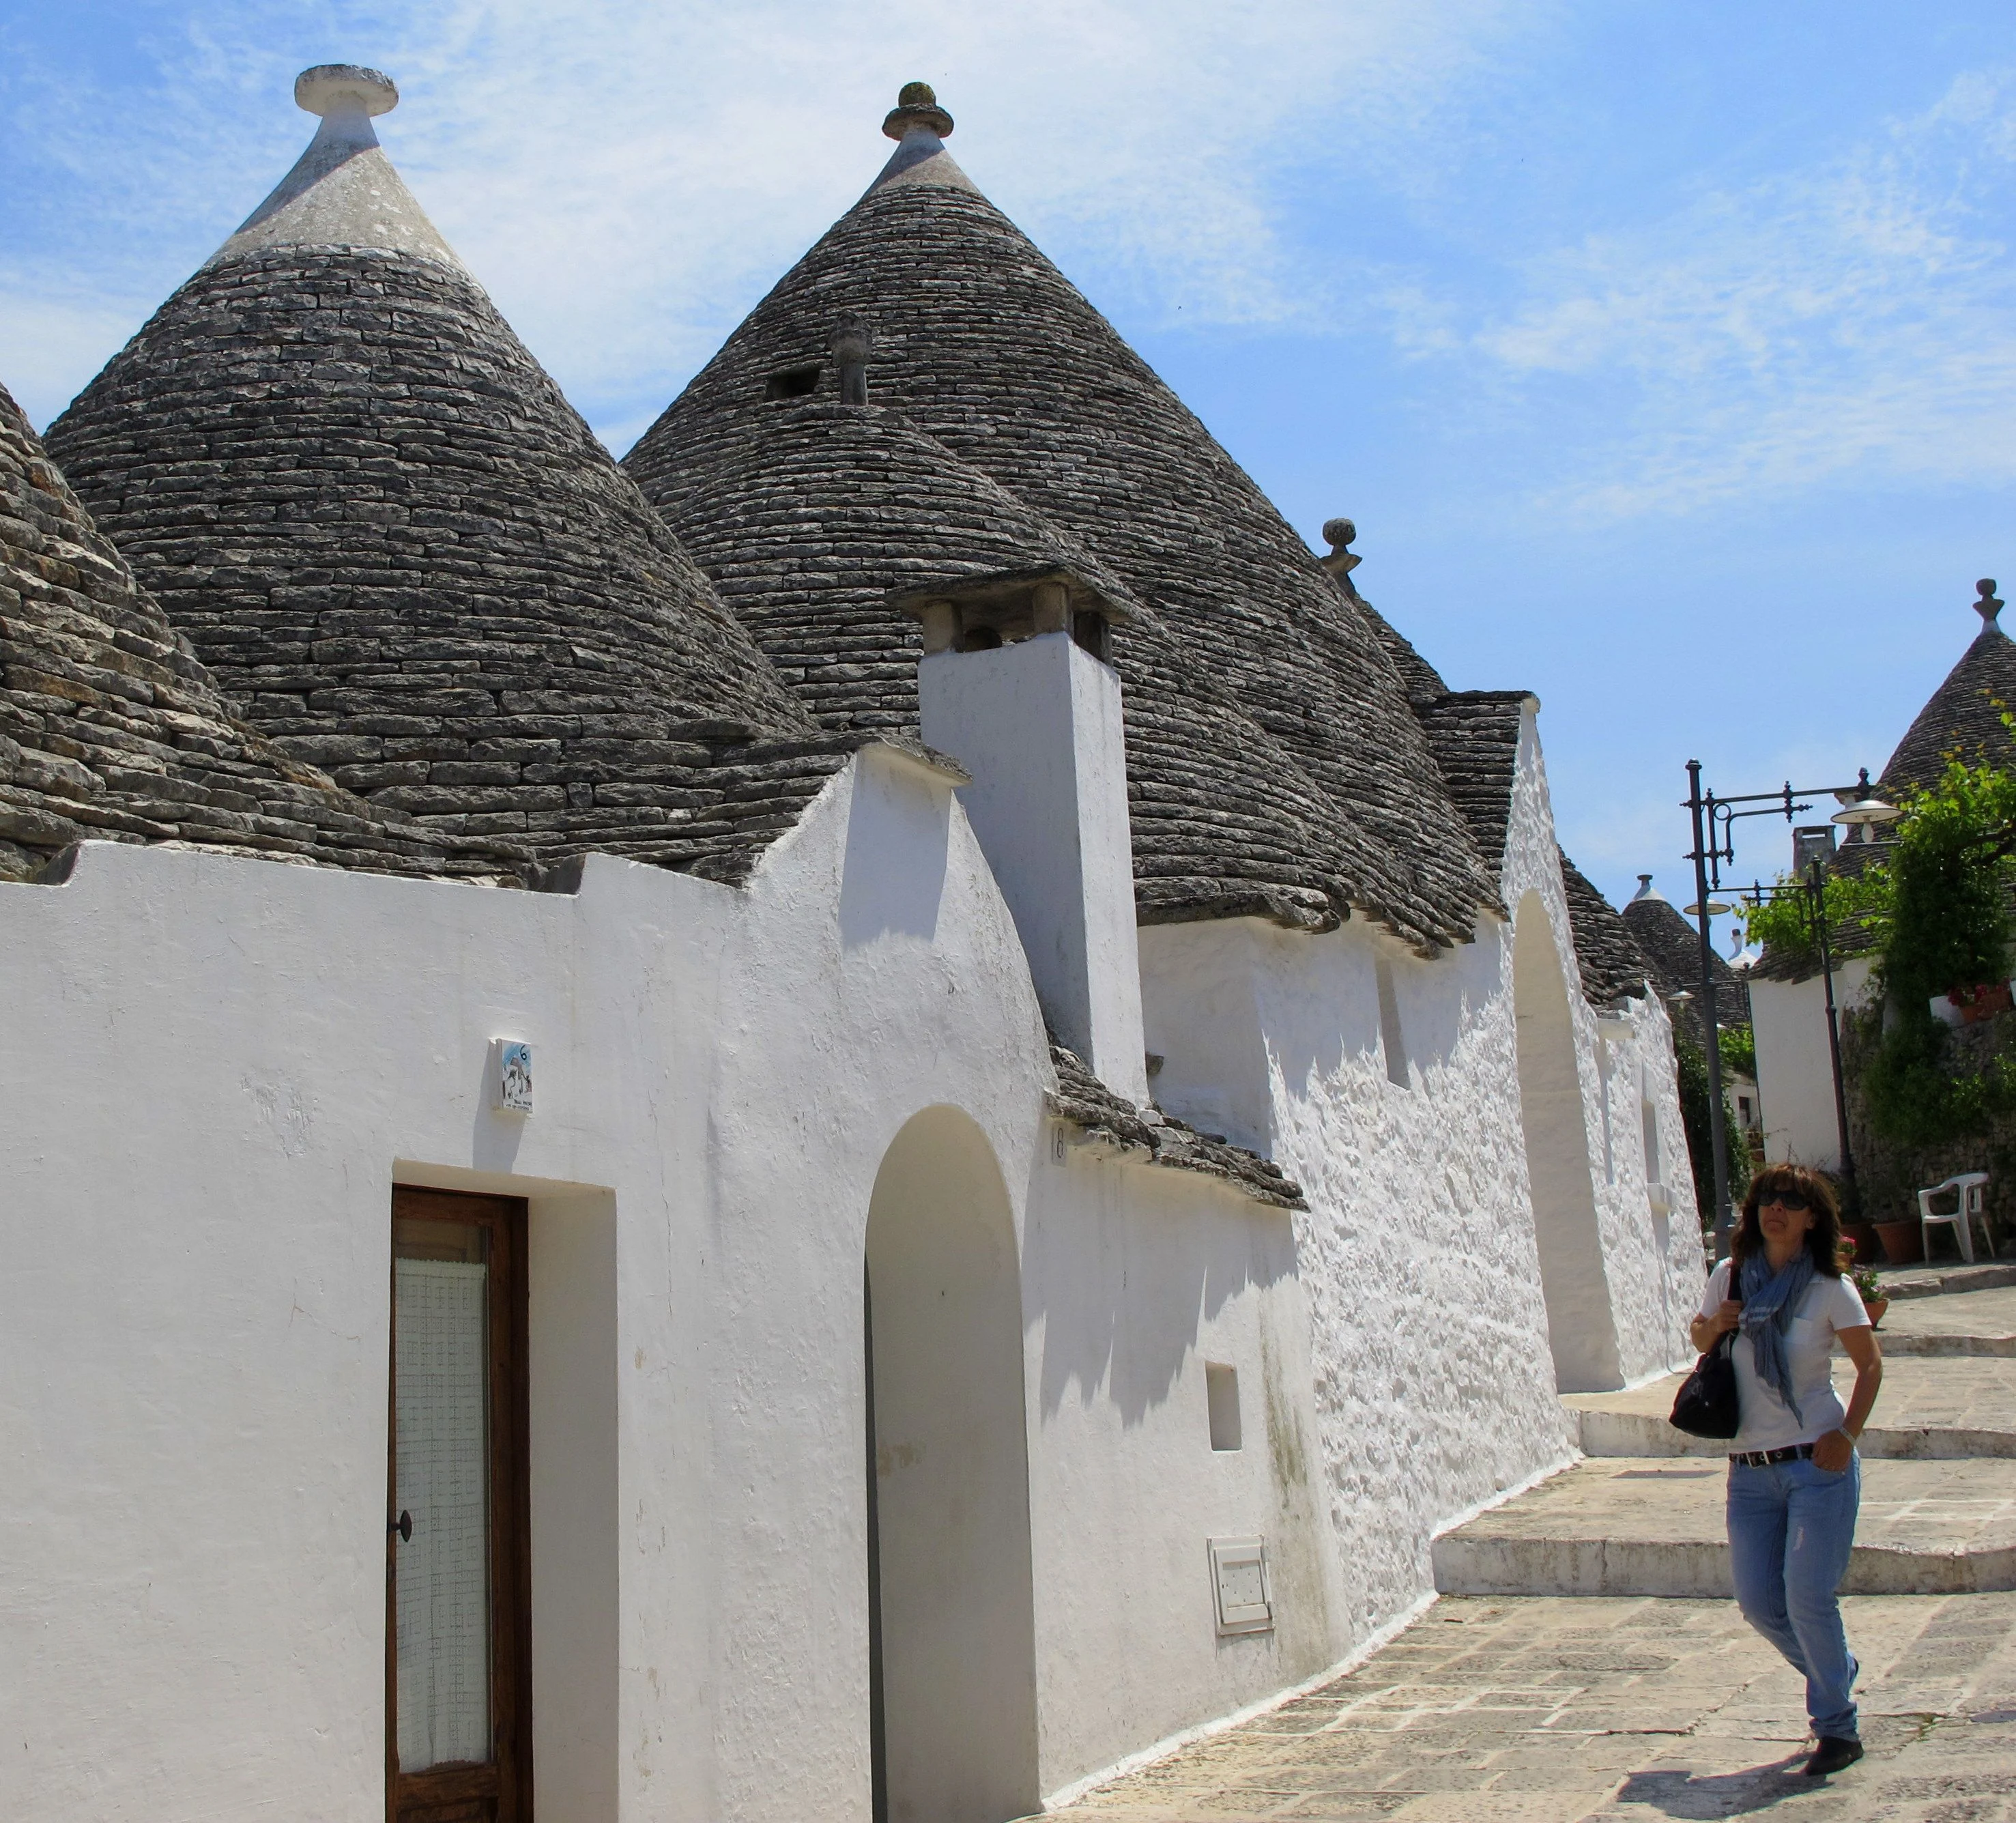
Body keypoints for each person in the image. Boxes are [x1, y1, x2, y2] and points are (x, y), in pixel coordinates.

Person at [1691, 1162, 1883, 1779]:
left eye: (1793, 1201)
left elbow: (1870, 1366)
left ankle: (1837, 1728)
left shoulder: (1830, 1286)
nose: (1777, 1208)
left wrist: (1847, 1435)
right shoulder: (1729, 1275)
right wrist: (1713, 1324)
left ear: (1812, 1218)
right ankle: (1837, 1672)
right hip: (1750, 1470)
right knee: (1758, 1602)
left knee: (1807, 1596)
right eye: (1768, 1197)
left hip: (1815, 1463)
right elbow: (1699, 1338)